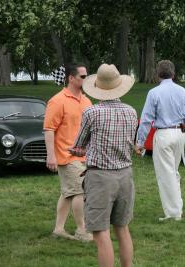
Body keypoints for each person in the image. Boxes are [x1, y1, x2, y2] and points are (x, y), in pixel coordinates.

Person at [70, 64, 137, 267]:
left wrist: (77, 151)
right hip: (125, 175)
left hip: (100, 178)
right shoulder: (131, 112)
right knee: (122, 228)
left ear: (98, 87)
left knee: (101, 233)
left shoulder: (92, 113)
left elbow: (79, 145)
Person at [135, 60, 185, 221]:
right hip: (179, 132)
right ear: (173, 74)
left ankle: (174, 213)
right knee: (173, 172)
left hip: (164, 134)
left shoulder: (154, 93)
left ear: (157, 74)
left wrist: (139, 142)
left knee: (165, 174)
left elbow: (146, 120)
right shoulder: (182, 91)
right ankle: (177, 207)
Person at [44, 63, 93, 241]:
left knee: (68, 193)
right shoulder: (57, 100)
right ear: (71, 78)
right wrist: (51, 155)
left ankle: (59, 229)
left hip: (85, 155)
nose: (85, 79)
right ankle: (82, 230)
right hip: (66, 155)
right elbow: (49, 129)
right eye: (82, 76)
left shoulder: (87, 101)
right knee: (80, 192)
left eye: (86, 76)